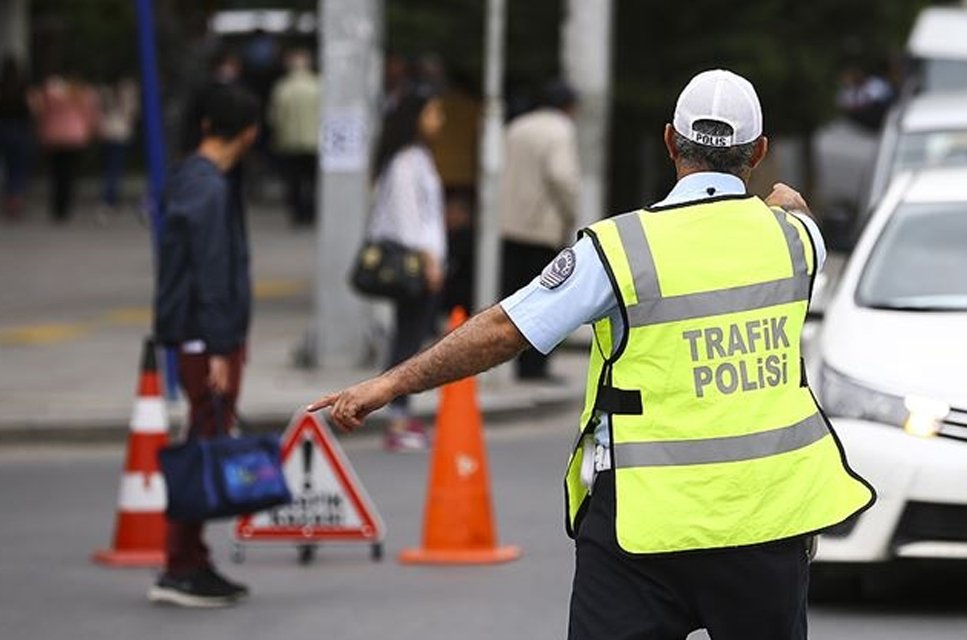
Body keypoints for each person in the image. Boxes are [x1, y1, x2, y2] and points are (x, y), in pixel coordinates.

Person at [309, 69, 875, 639]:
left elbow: (506, 329)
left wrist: (388, 385)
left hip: (642, 525)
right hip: (766, 522)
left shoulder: (619, 248)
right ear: (759, 151)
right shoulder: (797, 240)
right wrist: (787, 204)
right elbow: (796, 211)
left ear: (669, 142)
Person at [151, 84, 260, 608]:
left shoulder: (189, 178)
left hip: (197, 335)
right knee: (203, 445)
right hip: (206, 339)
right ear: (249, 133)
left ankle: (191, 559)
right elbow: (212, 273)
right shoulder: (209, 188)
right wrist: (220, 348)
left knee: (205, 438)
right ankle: (181, 565)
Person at [366, 85, 448, 452]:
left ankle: (401, 411)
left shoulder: (417, 157)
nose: (439, 120)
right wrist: (429, 261)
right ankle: (396, 416)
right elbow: (408, 219)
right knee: (407, 339)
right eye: (433, 112)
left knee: (411, 335)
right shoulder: (405, 161)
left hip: (424, 260)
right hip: (415, 263)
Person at [498, 80, 580, 381]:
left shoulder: (517, 126)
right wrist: (570, 213)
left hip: (509, 224)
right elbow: (561, 176)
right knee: (547, 301)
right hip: (542, 227)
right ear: (570, 106)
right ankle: (536, 368)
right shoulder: (560, 130)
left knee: (516, 298)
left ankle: (519, 364)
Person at [30, 73, 98, 223]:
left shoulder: (48, 93)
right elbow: (89, 114)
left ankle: (57, 207)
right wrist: (90, 131)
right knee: (69, 174)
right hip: (75, 136)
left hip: (54, 136)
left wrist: (40, 132)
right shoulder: (81, 93)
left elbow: (39, 111)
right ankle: (66, 206)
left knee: (56, 174)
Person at [268, 49, 320, 227]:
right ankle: (311, 211)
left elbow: (275, 117)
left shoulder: (283, 88)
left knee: (294, 180)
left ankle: (297, 212)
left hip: (290, 141)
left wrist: (277, 136)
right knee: (312, 180)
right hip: (314, 141)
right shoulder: (318, 86)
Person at [97, 75, 138, 213]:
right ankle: (111, 197)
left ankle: (109, 197)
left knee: (109, 167)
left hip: (108, 132)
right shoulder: (127, 91)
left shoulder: (105, 92)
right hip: (121, 133)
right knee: (116, 167)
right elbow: (132, 112)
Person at [0, 54, 34, 220]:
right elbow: (31, 110)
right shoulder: (22, 87)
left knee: (8, 167)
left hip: (4, 130)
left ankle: (9, 199)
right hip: (20, 131)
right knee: (18, 168)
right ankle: (16, 199)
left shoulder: (2, 87)